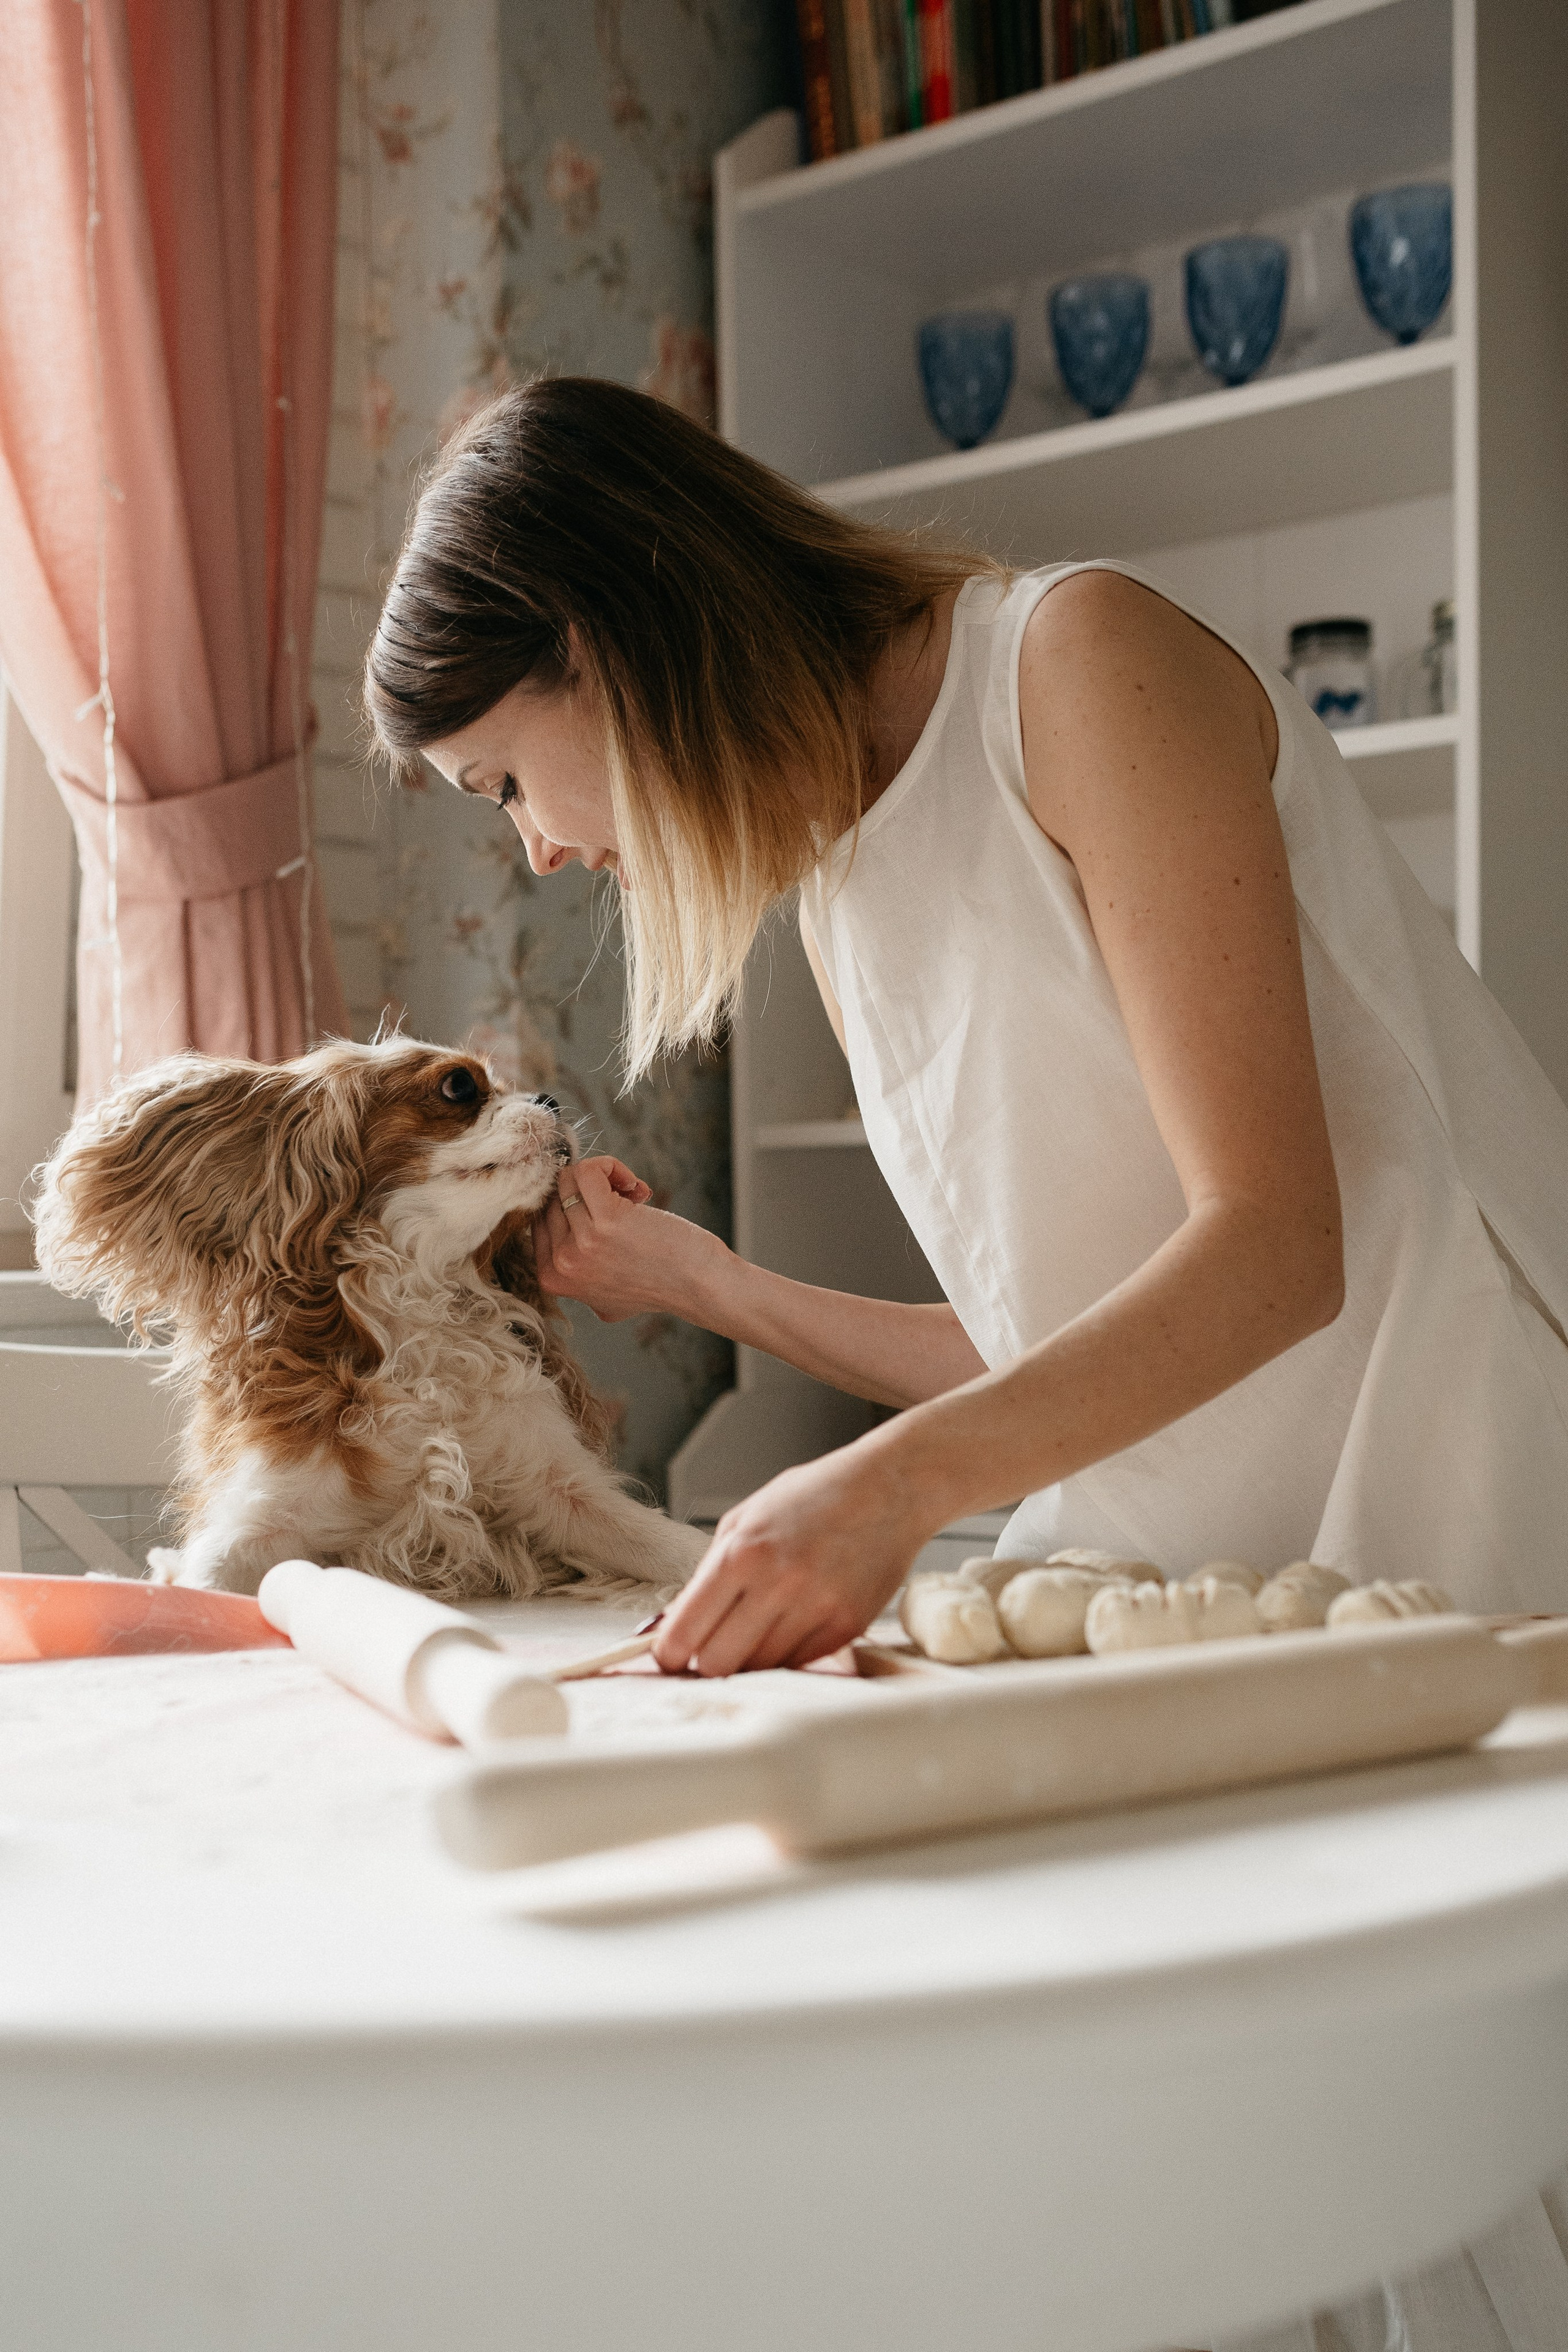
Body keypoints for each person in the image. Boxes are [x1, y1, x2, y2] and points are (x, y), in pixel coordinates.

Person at [366, 370, 1568, 2352]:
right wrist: (715, 1290)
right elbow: (1063, 1337)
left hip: (1470, 1480)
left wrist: (898, 1486)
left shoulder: (1071, 666)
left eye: (507, 781)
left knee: (1443, 2165)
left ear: (606, 639)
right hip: (1234, 1568)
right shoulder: (837, 864)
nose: (542, 850)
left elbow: (1271, 1253)